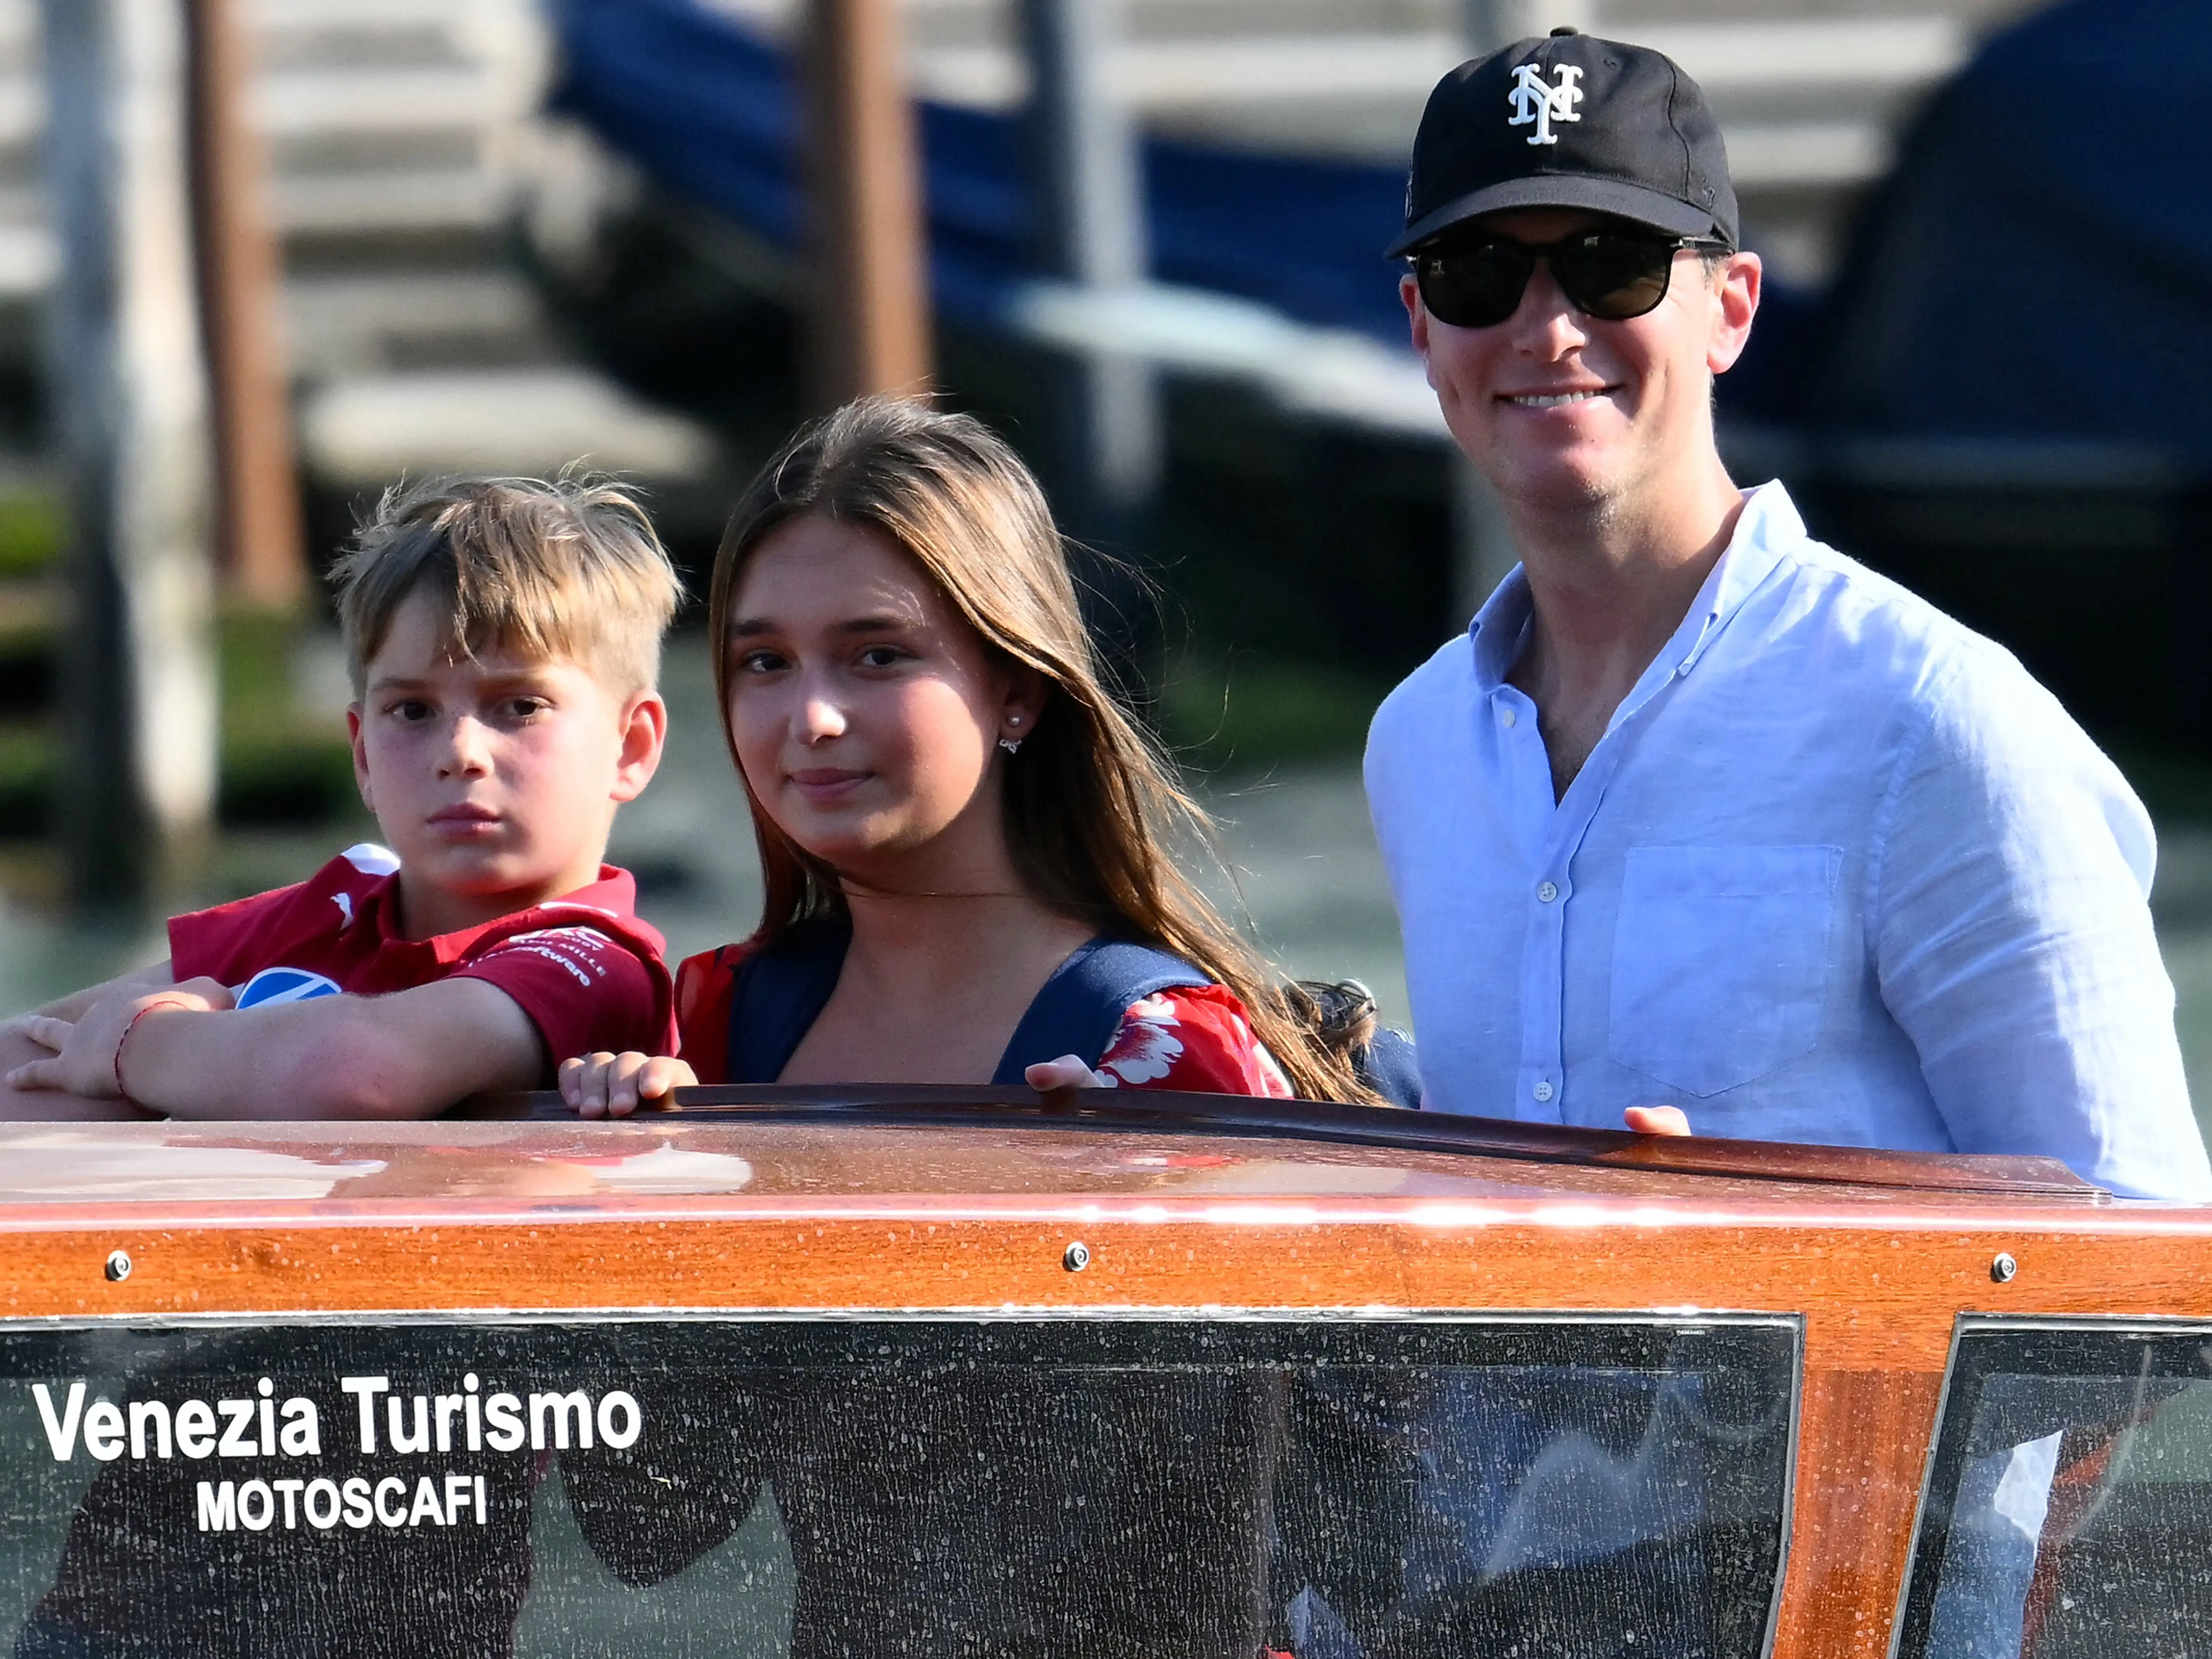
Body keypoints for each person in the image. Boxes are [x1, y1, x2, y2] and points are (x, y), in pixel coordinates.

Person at [1363, 28, 2210, 1199]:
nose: (1545, 325)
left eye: (1614, 266)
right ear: (1422, 328)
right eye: (1477, 272)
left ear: (1732, 309)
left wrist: (1758, 1267)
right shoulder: (1415, 744)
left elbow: (2140, 1263)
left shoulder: (1935, 722)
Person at [562, 395, 1392, 1117]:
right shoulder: (718, 1019)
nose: (811, 717)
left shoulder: (1160, 1050)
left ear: (1020, 691)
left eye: (878, 655)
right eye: (766, 663)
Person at [0, 475, 681, 1122]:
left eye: (520, 705)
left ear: (630, 747)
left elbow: (357, 1072)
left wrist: (138, 1049)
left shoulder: (595, 961)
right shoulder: (332, 906)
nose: (460, 752)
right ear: (362, 753)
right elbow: (22, 1065)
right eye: (412, 710)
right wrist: (161, 1056)